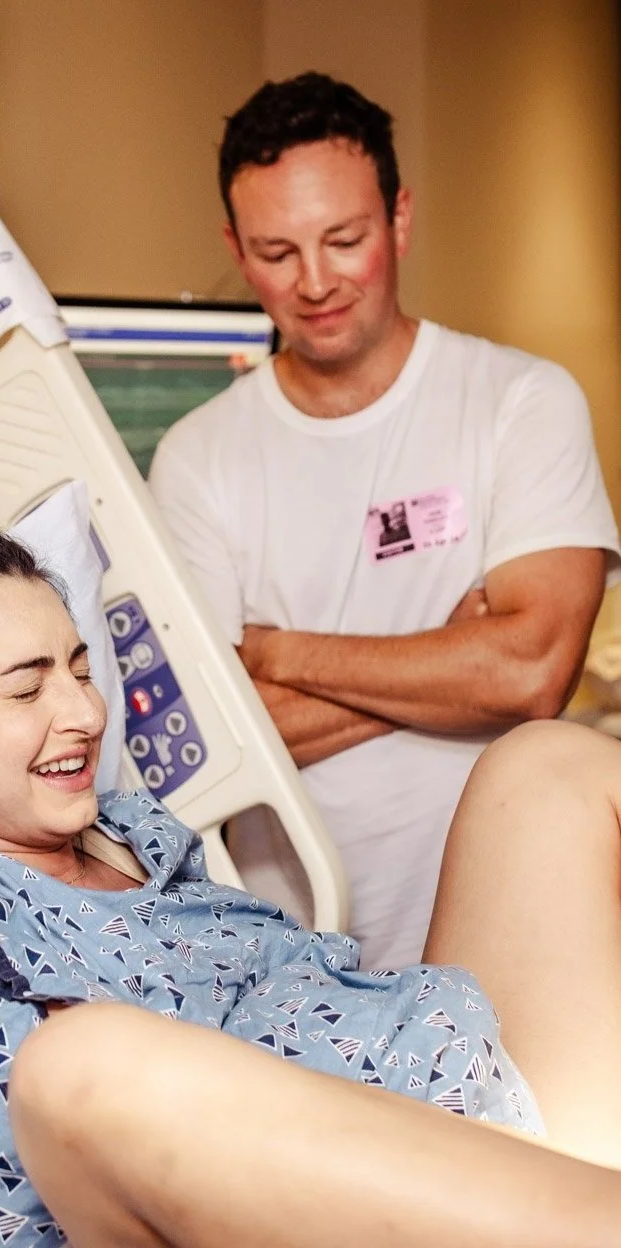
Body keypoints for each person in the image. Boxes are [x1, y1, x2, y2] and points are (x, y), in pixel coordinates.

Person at [0, 325, 621, 1248]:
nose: (83, 714)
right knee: (80, 1067)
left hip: (475, 1108)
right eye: (26, 686)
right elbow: (24, 1186)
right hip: (336, 1211)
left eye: (79, 669)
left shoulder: (129, 827)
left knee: (545, 766)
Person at [148, 72, 621, 969]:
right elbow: (204, 743)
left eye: (345, 238)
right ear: (236, 248)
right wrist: (441, 662)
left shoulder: (520, 401)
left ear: (398, 219)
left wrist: (277, 655)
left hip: (518, 929)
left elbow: (528, 670)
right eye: (277, 251)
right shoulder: (199, 457)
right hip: (296, 958)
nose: (316, 281)